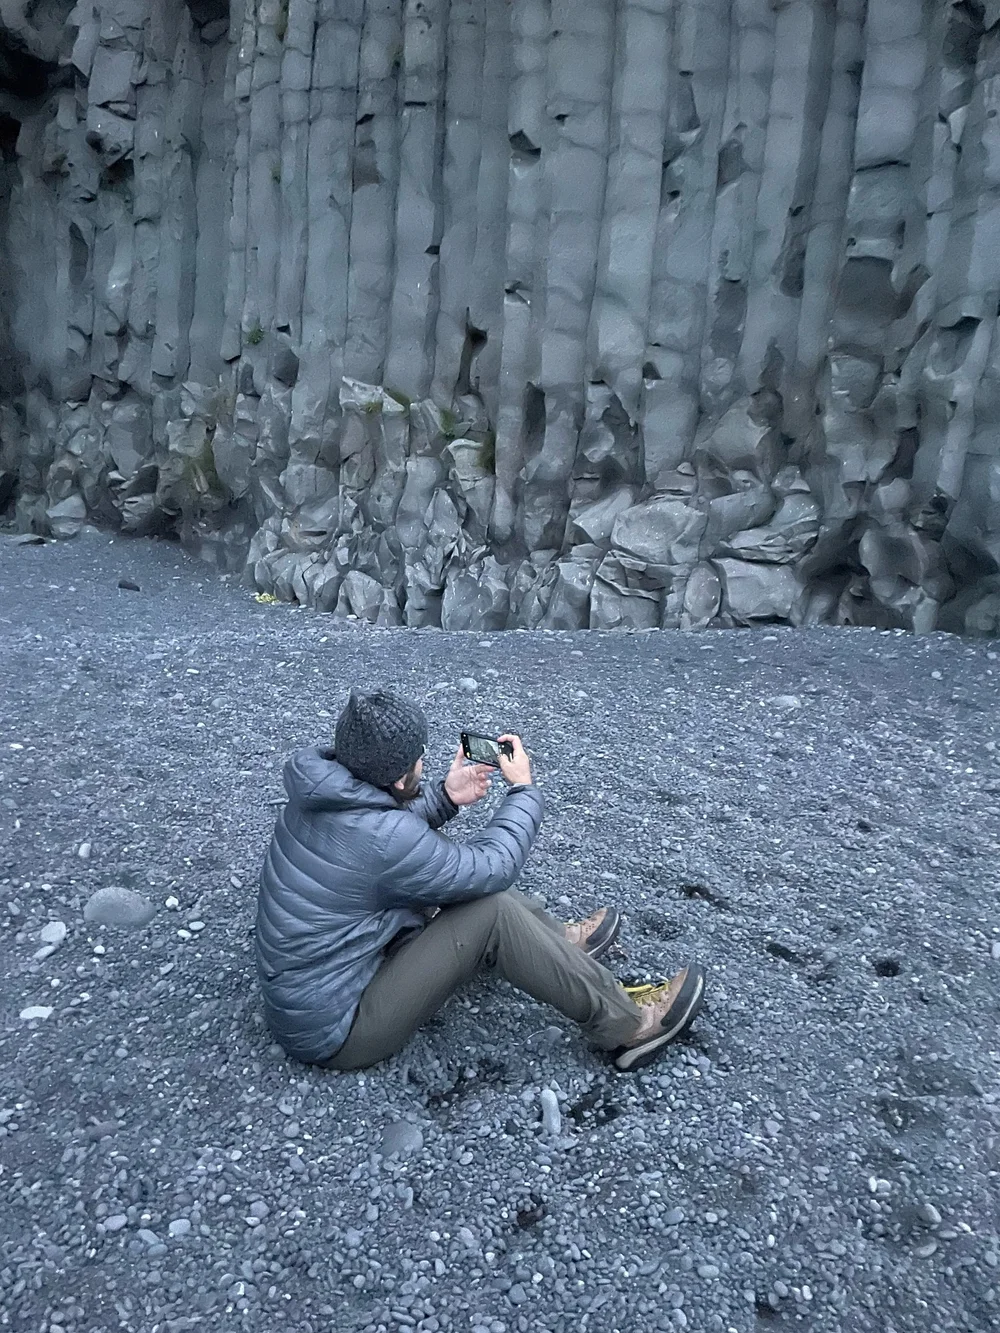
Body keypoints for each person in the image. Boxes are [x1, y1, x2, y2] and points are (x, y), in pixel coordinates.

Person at [255, 689, 705, 1073]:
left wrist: (447, 796)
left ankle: (554, 946)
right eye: (418, 761)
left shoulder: (320, 793)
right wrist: (524, 790)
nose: (423, 763)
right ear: (395, 778)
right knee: (489, 908)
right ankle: (628, 1026)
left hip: (316, 991)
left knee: (458, 888)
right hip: (339, 1028)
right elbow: (492, 866)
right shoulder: (379, 837)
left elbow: (379, 836)